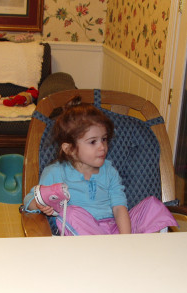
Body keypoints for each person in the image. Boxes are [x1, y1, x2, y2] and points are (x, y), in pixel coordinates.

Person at [22, 96, 177, 235]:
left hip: (113, 229)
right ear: (69, 149)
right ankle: (107, 251)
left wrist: (125, 239)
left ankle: (130, 250)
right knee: (70, 213)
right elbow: (29, 200)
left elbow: (119, 207)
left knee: (152, 205)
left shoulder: (109, 170)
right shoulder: (56, 172)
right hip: (83, 232)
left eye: (104, 139)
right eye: (93, 142)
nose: (102, 147)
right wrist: (40, 204)